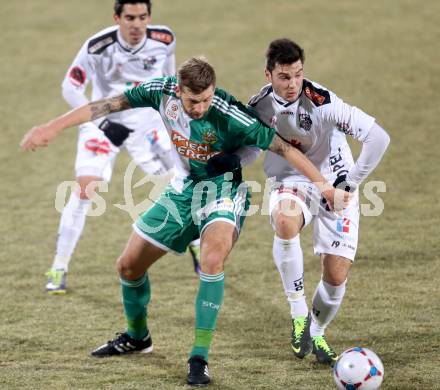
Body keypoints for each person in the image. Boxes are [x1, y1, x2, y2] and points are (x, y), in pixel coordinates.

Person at [21, 57, 344, 386]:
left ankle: (199, 357)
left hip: (223, 193)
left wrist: (325, 187)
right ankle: (138, 338)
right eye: (193, 100)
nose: (201, 107)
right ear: (179, 90)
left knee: (211, 260)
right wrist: (52, 127)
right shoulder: (160, 92)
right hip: (181, 191)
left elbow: (283, 149)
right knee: (128, 267)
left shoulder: (230, 112)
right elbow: (105, 105)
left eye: (206, 99)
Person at [248, 38, 390, 366]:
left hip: (336, 184)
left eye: (298, 74)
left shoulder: (323, 102)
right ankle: (299, 314)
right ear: (268, 74)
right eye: (284, 76)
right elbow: (249, 149)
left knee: (336, 275)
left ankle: (317, 330)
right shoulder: (259, 106)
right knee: (285, 221)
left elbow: (378, 137)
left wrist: (350, 184)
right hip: (291, 180)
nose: (292, 84)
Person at [45, 0, 200, 295]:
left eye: (142, 17)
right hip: (104, 120)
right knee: (85, 188)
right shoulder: (97, 47)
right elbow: (70, 87)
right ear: (117, 18)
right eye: (129, 17)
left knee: (180, 184)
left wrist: (174, 121)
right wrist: (103, 124)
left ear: (149, 17)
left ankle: (196, 246)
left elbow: (169, 82)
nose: (136, 24)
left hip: (148, 122)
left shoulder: (164, 39)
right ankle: (59, 266)